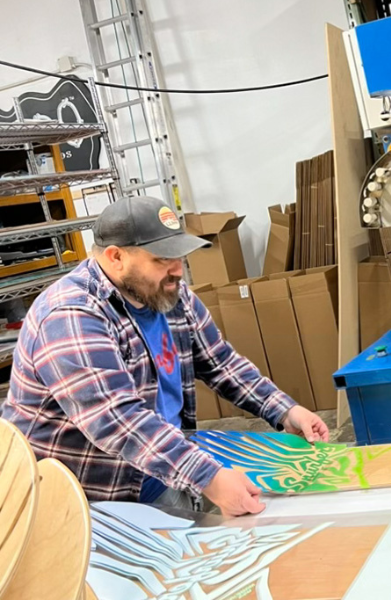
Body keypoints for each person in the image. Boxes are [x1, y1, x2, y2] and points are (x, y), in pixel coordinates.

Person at [1, 196, 330, 518]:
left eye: (179, 256)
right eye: (161, 259)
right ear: (116, 257)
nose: (178, 270)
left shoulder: (168, 293)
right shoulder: (70, 316)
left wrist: (286, 410)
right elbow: (118, 420)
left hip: (162, 471)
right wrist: (209, 477)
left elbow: (220, 362)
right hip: (89, 503)